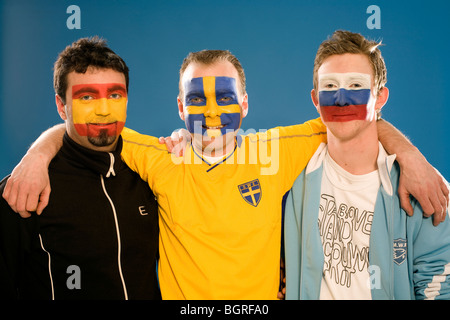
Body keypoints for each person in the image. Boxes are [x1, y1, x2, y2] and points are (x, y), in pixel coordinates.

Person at [3, 49, 448, 299]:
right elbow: (89, 126)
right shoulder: (159, 157)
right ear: (180, 107)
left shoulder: (277, 149)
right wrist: (36, 156)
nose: (212, 114)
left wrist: (410, 155)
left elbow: (352, 114)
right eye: (197, 100)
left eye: (225, 98)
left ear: (246, 105)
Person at [284, 30, 450, 300]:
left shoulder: (425, 186)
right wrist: (188, 139)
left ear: (380, 97)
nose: (341, 99)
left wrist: (408, 153)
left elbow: (440, 286)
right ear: (315, 100)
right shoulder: (292, 176)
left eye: (355, 86)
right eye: (329, 87)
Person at [0, 37, 161, 299]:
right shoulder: (26, 187)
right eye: (87, 96)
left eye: (115, 95)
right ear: (61, 107)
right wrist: (39, 153)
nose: (104, 110)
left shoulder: (150, 175)